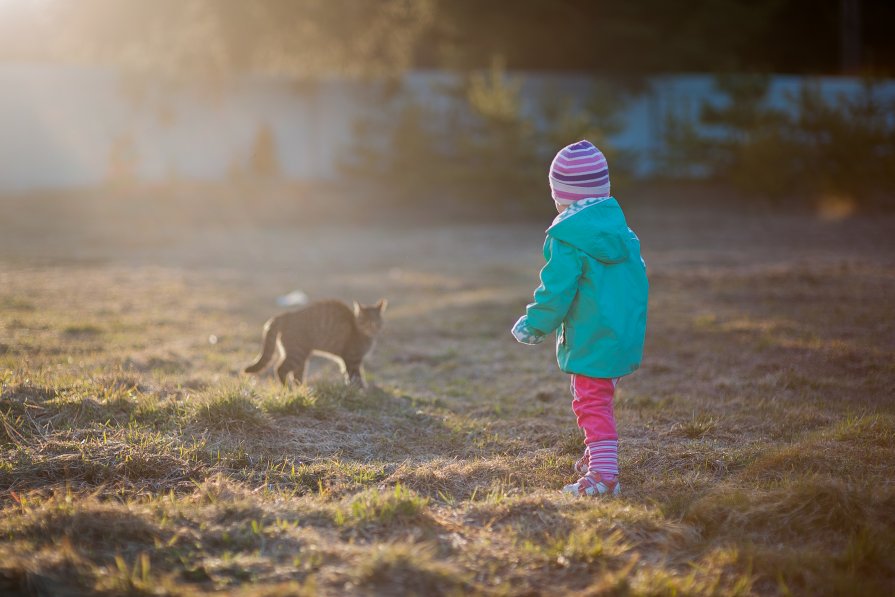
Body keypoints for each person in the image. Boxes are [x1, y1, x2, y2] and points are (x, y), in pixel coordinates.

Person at [512, 140, 648, 497]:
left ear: (561, 196)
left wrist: (535, 324)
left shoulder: (568, 238)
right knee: (600, 395)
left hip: (590, 338)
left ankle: (604, 475)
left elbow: (556, 290)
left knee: (590, 401)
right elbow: (637, 282)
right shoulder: (622, 231)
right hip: (621, 335)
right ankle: (595, 455)